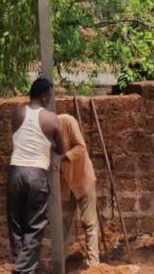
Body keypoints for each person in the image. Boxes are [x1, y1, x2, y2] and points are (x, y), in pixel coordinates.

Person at [7, 76, 65, 274]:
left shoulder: (17, 112)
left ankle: (18, 262)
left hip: (15, 172)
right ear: (43, 95)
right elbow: (61, 149)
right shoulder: (51, 119)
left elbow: (19, 137)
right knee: (34, 225)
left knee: (16, 222)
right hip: (36, 174)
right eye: (49, 95)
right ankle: (23, 270)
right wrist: (52, 145)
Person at [59, 113, 99, 266]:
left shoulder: (67, 121)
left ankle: (94, 266)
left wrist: (62, 157)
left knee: (89, 222)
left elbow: (81, 147)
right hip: (64, 185)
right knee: (63, 224)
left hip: (82, 179)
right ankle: (58, 265)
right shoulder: (43, 135)